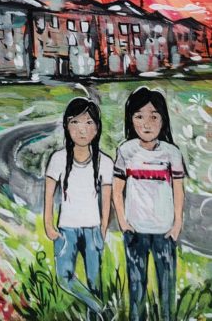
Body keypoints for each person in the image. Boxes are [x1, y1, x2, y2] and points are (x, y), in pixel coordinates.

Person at [113, 87, 185, 321]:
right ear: (130, 119)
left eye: (154, 116)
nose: (147, 123)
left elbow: (178, 190)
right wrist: (123, 222)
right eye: (139, 116)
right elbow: (117, 190)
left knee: (167, 291)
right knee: (136, 291)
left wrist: (177, 224)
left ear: (163, 120)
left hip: (165, 231)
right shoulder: (126, 151)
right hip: (135, 230)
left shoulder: (172, 153)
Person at [44, 97, 113, 317]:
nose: (82, 129)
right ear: (66, 125)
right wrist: (48, 224)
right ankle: (103, 310)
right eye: (75, 122)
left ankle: (98, 315)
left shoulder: (105, 162)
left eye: (88, 122)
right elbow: (49, 195)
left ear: (97, 128)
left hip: (93, 229)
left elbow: (107, 199)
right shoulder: (58, 159)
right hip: (66, 230)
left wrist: (103, 228)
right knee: (64, 278)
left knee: (95, 283)